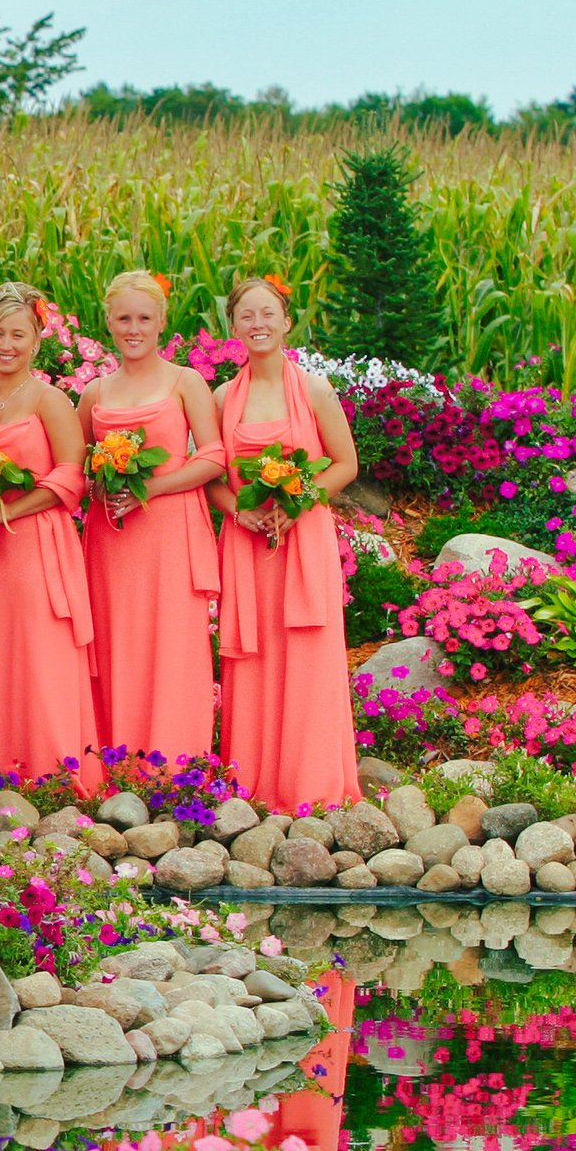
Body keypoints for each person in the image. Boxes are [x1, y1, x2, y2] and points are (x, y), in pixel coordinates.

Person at [210, 275, 362, 813]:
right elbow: (211, 476)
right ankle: (250, 784)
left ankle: (311, 784)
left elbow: (346, 463)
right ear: (233, 327)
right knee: (254, 656)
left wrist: (298, 503)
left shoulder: (314, 390)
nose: (258, 324)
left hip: (303, 541)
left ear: (285, 322)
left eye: (267, 314)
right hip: (249, 545)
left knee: (305, 651)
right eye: (246, 316)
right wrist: (242, 512)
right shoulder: (224, 397)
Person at [0, 283, 98, 785]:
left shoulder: (49, 399)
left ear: (37, 341)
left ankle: (56, 770)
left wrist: (12, 513)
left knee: (40, 652)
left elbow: (72, 474)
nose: (6, 344)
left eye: (18, 334)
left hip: (38, 545)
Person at [77, 269, 224, 761]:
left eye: (143, 318)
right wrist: (101, 479)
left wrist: (151, 488)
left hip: (167, 532)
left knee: (170, 645)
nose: (133, 328)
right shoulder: (95, 392)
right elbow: (76, 462)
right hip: (111, 537)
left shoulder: (186, 381)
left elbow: (214, 456)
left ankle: (174, 761)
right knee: (116, 641)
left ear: (161, 322)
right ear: (109, 323)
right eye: (123, 318)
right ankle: (116, 759)